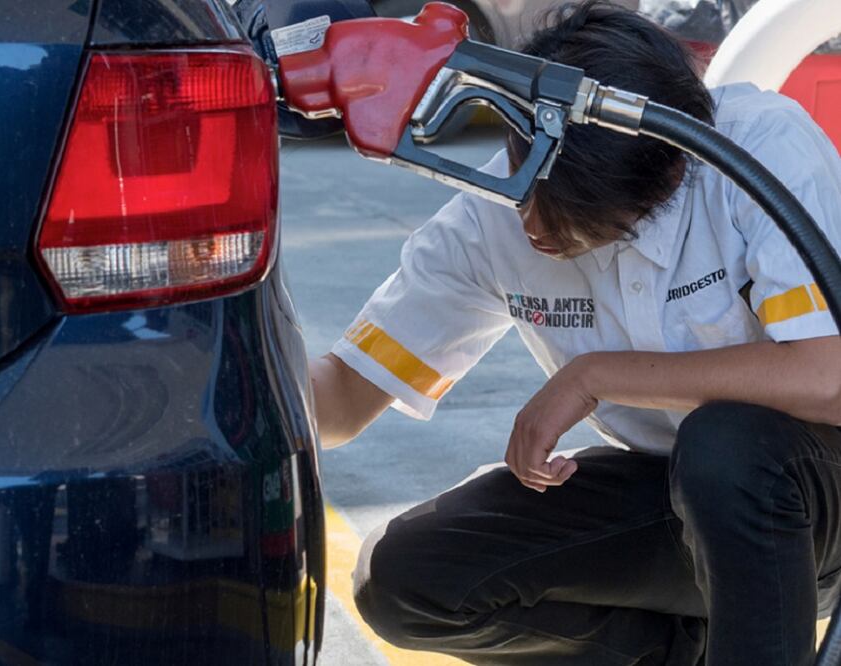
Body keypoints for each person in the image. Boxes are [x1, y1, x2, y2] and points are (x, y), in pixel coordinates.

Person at [308, 2, 841, 664]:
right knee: (406, 578)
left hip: (811, 496)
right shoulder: (491, 217)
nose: (533, 225)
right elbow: (340, 403)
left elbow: (829, 377)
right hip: (674, 496)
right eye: (528, 191)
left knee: (726, 445)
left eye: (573, 216)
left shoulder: (752, 149)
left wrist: (595, 375)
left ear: (666, 175)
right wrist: (233, 351)